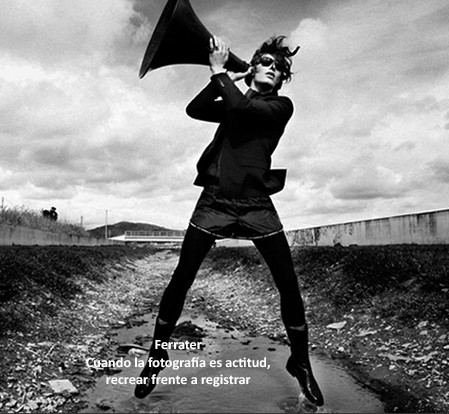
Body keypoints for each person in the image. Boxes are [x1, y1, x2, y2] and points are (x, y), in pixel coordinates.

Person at [134, 35, 324, 406]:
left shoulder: (280, 106)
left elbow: (243, 109)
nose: (272, 68)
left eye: (278, 68)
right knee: (181, 278)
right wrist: (224, 78)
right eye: (266, 61)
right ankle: (157, 353)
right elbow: (195, 109)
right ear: (254, 67)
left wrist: (221, 73)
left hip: (256, 204)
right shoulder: (236, 100)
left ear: (282, 80)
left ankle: (300, 361)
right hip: (215, 201)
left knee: (288, 285)